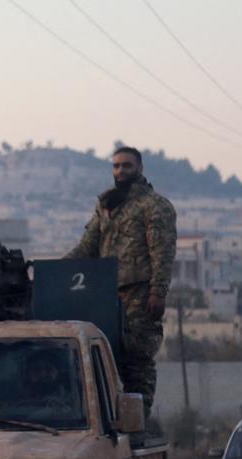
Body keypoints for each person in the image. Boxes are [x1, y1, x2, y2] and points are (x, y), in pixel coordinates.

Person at [65, 146, 177, 417]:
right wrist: (55, 268)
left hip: (139, 293)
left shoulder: (154, 206)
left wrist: (158, 291)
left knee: (137, 359)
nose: (120, 171)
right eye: (116, 166)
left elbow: (162, 252)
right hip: (106, 295)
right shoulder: (107, 206)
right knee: (104, 357)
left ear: (139, 168)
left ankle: (139, 418)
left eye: (126, 165)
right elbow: (88, 246)